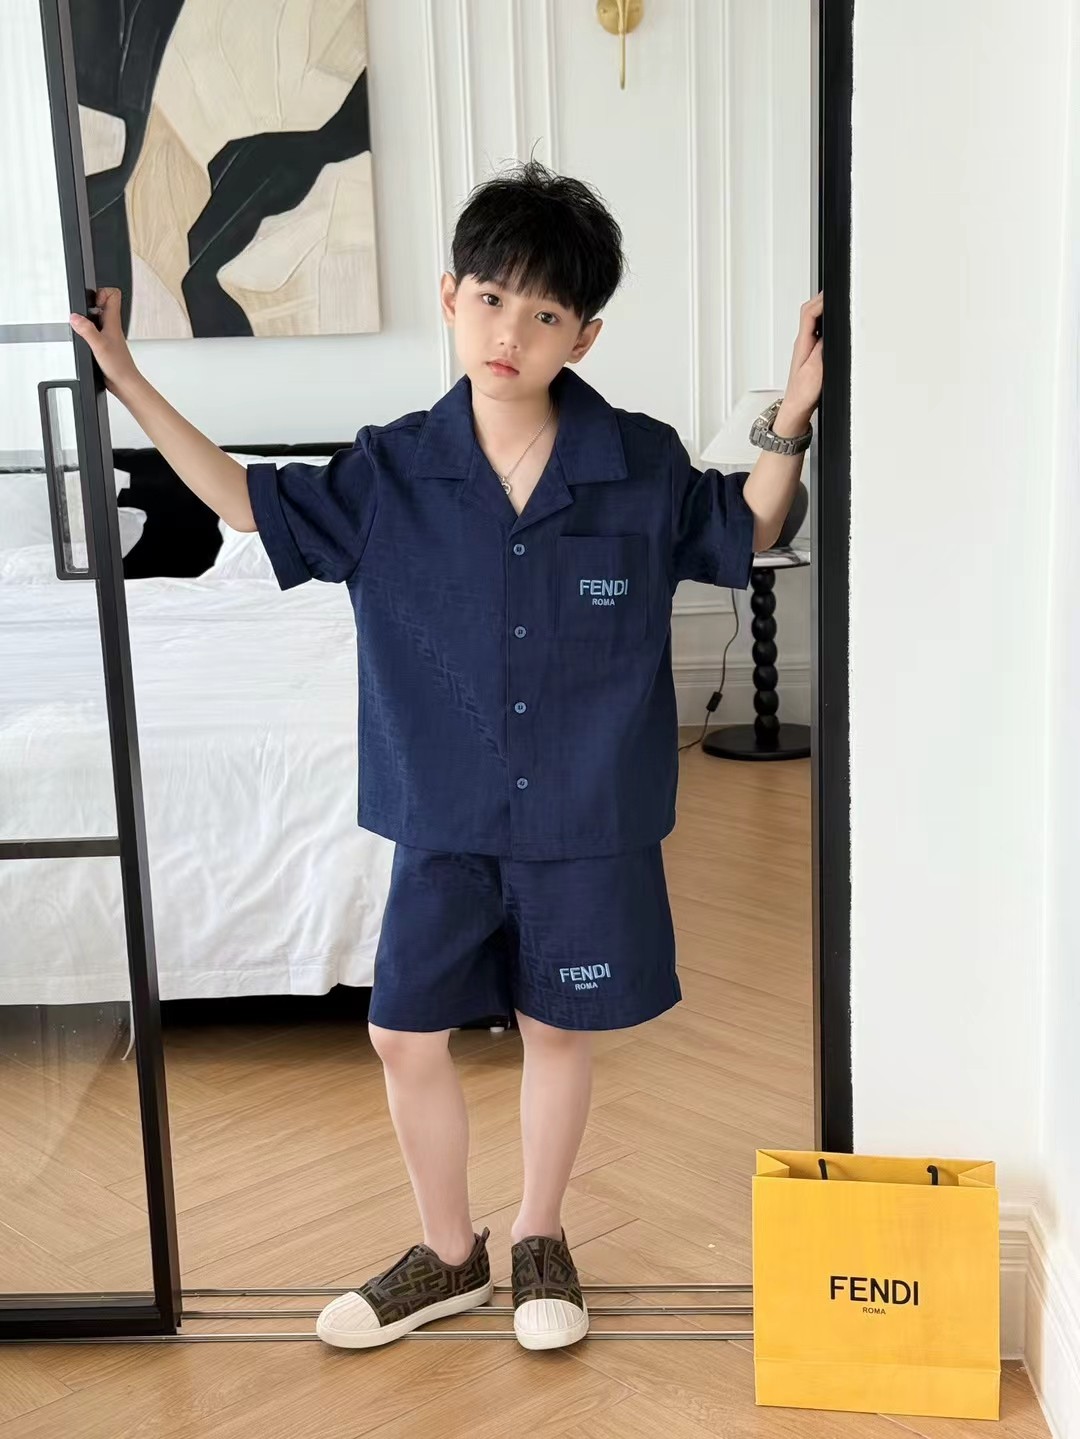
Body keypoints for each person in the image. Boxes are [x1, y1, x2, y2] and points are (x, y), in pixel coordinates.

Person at [70, 159, 823, 1353]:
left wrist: (794, 410)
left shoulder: (637, 461)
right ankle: (448, 1251)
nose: (509, 332)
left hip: (587, 815)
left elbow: (751, 525)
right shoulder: (390, 469)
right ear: (449, 297)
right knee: (400, 1029)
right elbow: (246, 503)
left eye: (544, 312)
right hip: (443, 812)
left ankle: (539, 1235)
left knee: (558, 1027)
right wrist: (126, 378)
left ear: (584, 334)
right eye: (490, 298)